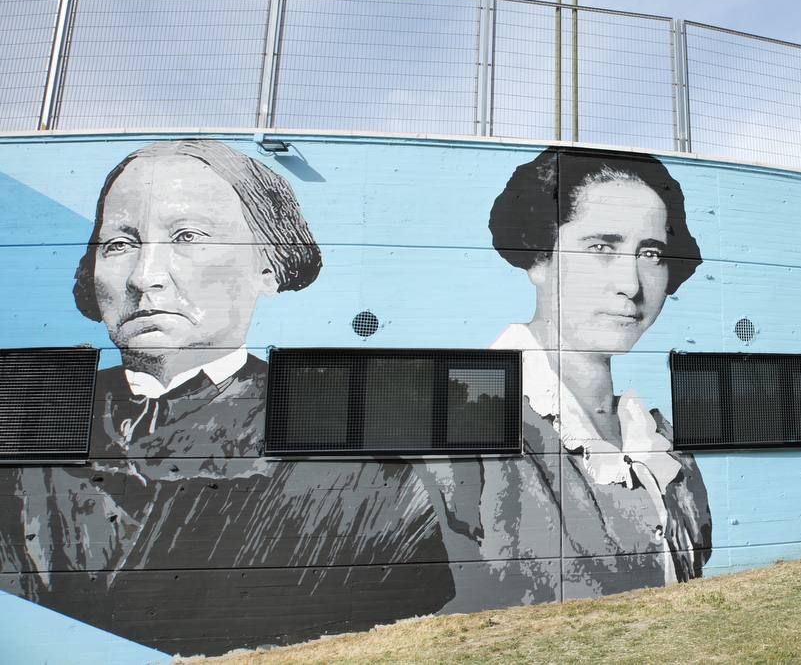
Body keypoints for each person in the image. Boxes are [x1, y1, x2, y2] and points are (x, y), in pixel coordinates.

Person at [0, 139, 454, 655]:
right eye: (119, 244)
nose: (145, 277)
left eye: (187, 237)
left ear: (268, 266)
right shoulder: (28, 412)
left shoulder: (352, 453)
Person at [472, 146, 712, 600]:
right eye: (601, 247)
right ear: (538, 258)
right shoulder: (472, 420)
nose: (631, 285)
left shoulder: (662, 443)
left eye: (651, 253)